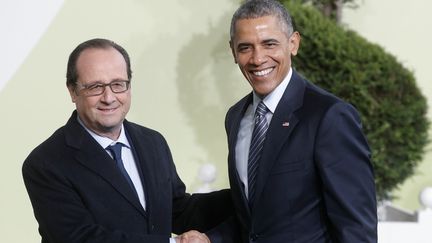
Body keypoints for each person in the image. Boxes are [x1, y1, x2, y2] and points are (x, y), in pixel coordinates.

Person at [22, 38, 232, 243]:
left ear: (129, 86)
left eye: (118, 84)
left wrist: (245, 196)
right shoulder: (45, 163)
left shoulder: (153, 142)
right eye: (95, 87)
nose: (109, 97)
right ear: (72, 91)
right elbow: (79, 237)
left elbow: (176, 210)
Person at [208, 0, 378, 242]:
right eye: (245, 47)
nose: (258, 59)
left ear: (293, 43)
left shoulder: (330, 116)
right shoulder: (236, 117)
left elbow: (357, 229)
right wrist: (211, 238)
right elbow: (256, 219)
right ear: (233, 52)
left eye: (269, 44)